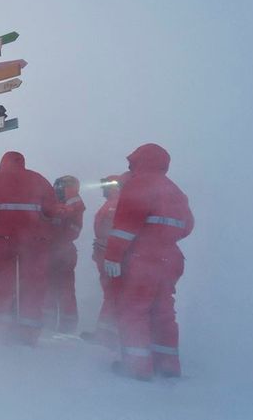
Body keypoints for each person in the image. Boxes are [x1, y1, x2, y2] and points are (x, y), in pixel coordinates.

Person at [104, 144, 194, 380]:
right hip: (171, 259)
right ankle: (168, 364)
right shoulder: (176, 191)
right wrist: (164, 238)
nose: (130, 167)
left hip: (143, 259)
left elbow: (125, 226)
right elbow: (187, 227)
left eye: (133, 163)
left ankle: (137, 366)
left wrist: (113, 255)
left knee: (134, 309)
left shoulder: (139, 184)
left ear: (141, 162)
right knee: (163, 311)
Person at [0, 151, 65, 345]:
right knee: (33, 285)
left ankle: (2, 329)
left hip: (5, 238)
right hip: (34, 240)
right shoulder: (38, 179)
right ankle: (29, 332)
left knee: (3, 283)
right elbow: (51, 211)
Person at [80, 173, 127, 348]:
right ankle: (108, 333)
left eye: (106, 187)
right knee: (111, 293)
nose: (103, 190)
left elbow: (114, 232)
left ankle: (107, 335)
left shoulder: (115, 205)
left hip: (110, 256)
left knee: (112, 294)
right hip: (106, 254)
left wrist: (106, 251)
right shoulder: (112, 204)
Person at [43, 176, 85, 333]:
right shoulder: (65, 204)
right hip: (57, 251)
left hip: (61, 251)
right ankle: (51, 323)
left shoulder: (72, 204)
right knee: (52, 289)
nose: (56, 189)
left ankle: (64, 326)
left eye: (60, 187)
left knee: (63, 290)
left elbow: (69, 230)